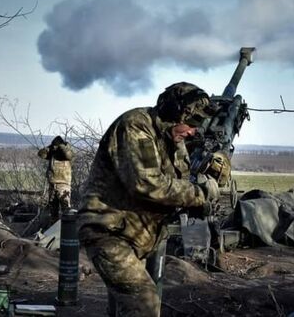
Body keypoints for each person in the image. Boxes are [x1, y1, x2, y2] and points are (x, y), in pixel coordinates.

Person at [78, 82, 220, 317]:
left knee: (126, 308)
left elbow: (176, 185)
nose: (192, 132)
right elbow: (147, 183)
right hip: (109, 232)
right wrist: (199, 194)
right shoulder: (136, 126)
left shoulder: (174, 141)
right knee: (144, 302)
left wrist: (197, 203)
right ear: (174, 115)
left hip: (137, 235)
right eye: (191, 124)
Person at [38, 136, 75, 222]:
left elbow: (68, 155)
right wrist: (50, 147)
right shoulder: (53, 152)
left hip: (63, 184)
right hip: (53, 184)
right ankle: (54, 227)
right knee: (53, 211)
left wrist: (61, 146)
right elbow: (41, 154)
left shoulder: (67, 150)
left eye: (56, 145)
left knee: (66, 210)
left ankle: (66, 228)